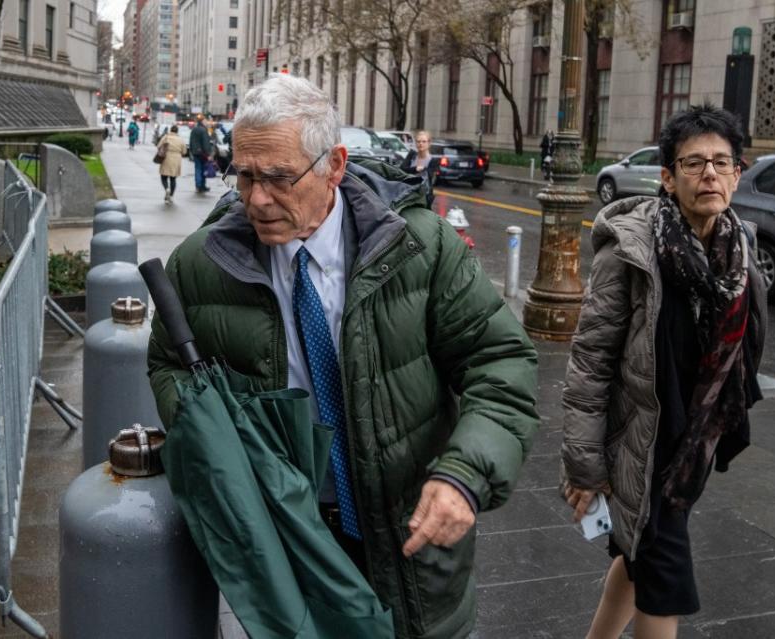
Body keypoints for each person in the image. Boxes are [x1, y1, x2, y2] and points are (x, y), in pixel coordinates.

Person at [146, 74, 539, 638]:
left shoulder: (419, 247)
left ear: (333, 165)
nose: (257, 198)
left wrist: (464, 474)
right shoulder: (200, 263)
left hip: (413, 540)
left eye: (279, 178)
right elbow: (166, 363)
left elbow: (499, 361)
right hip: (289, 540)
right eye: (246, 174)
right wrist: (209, 436)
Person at [561, 104, 767, 639]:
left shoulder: (740, 251)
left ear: (738, 175)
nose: (710, 175)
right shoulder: (631, 251)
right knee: (666, 579)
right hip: (638, 441)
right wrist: (584, 464)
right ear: (668, 178)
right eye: (694, 163)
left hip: (691, 444)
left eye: (723, 163)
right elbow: (591, 361)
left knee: (637, 562)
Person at [401, 130, 439, 206]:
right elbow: (402, 169)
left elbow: (428, 177)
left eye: (424, 141)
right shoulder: (412, 155)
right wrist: (415, 169)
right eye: (418, 141)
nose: (421, 144)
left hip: (423, 199)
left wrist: (415, 171)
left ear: (429, 143)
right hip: (406, 195)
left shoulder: (433, 161)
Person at [156, 124, 188, 204]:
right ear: (177, 131)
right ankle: (171, 196)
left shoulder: (166, 137)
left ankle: (167, 188)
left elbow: (158, 146)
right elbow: (184, 152)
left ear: (171, 130)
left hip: (166, 157)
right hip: (176, 159)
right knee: (173, 178)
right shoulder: (180, 140)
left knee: (163, 176)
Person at [189, 118, 213, 192]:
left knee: (197, 169)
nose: (207, 122)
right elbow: (206, 143)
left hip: (196, 153)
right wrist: (208, 154)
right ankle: (202, 186)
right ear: (202, 122)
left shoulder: (194, 129)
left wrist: (192, 151)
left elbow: (191, 141)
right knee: (203, 169)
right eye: (205, 121)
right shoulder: (203, 130)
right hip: (203, 154)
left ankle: (198, 185)